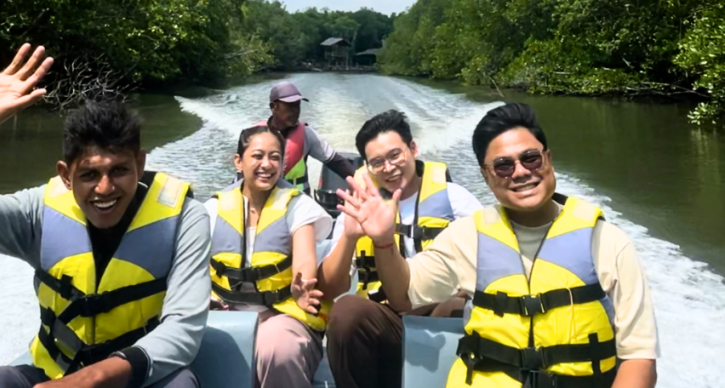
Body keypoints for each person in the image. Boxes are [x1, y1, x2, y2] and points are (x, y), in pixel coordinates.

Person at [0, 44, 211, 388]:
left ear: (140, 163)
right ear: (65, 174)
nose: (105, 189)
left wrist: (92, 380)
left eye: (119, 170)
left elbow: (184, 329)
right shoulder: (39, 213)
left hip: (137, 377)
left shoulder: (185, 219)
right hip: (55, 372)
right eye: (89, 174)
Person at [337, 103, 659, 388]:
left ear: (548, 159)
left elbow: (639, 359)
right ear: (487, 176)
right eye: (504, 166)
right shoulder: (468, 237)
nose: (520, 172)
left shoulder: (605, 241)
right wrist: (382, 241)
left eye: (530, 158)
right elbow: (404, 294)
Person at [318, 109, 483, 388]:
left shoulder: (455, 200)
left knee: (457, 306)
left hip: (439, 318)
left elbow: (493, 261)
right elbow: (330, 288)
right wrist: (349, 236)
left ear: (413, 148)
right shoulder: (360, 207)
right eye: (377, 162)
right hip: (384, 320)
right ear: (368, 167)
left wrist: (461, 293)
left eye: (396, 155)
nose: (389, 167)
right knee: (345, 311)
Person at [205, 124, 333, 388]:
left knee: (277, 347)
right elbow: (192, 267)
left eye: (275, 157)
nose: (267, 164)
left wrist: (301, 284)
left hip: (281, 316)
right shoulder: (212, 209)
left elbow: (305, 259)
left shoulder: (298, 207)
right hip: (224, 311)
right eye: (258, 156)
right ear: (239, 162)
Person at [254, 81, 355, 194]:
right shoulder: (254, 135)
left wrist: (362, 181)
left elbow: (336, 162)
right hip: (264, 200)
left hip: (298, 202)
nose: (295, 111)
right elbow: (242, 175)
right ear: (273, 106)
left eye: (297, 105)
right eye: (290, 106)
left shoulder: (307, 134)